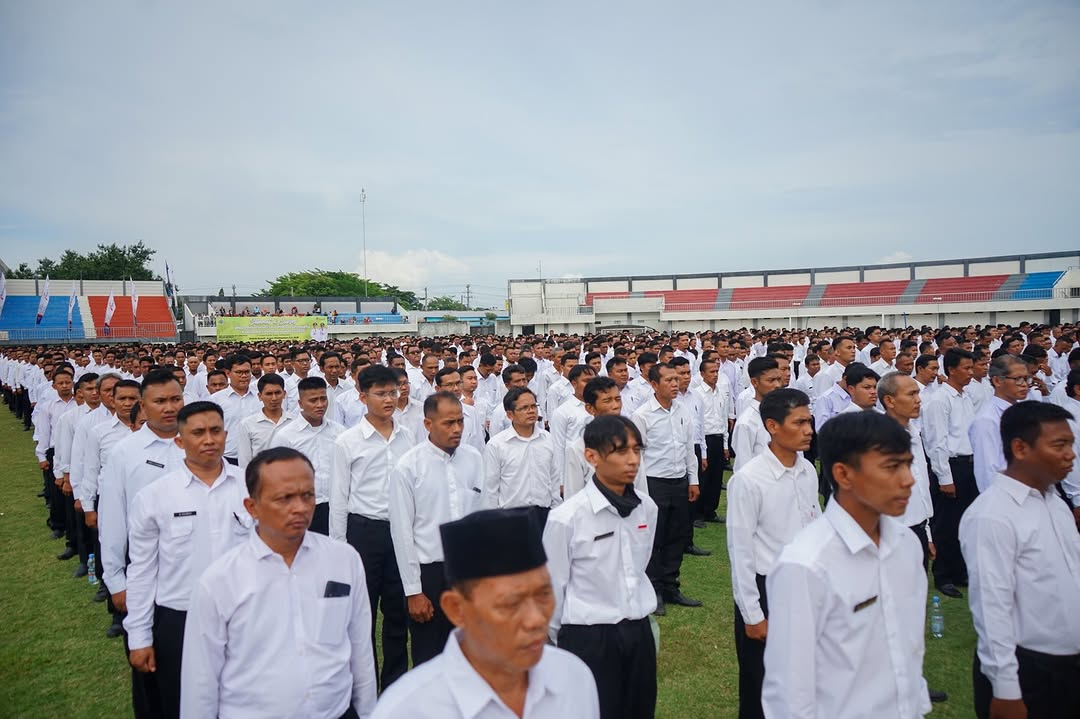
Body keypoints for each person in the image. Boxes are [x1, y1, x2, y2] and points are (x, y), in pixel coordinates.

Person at [180, 447, 377, 719]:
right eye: (284, 498)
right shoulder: (220, 581)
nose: (299, 508)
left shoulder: (344, 560)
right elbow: (200, 681)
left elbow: (361, 651)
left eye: (307, 495)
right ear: (252, 507)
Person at [763, 411, 931, 718]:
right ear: (843, 475)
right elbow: (789, 692)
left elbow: (907, 647)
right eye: (891, 467)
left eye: (907, 464)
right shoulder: (805, 565)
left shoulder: (906, 545)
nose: (908, 480)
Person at [372, 507, 600, 719]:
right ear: (456, 609)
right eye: (511, 604)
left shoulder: (574, 679)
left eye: (544, 595)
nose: (535, 619)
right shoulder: (407, 709)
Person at [124, 402, 251, 719]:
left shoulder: (251, 486)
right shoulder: (155, 497)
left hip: (244, 617)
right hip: (180, 619)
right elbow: (141, 572)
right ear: (179, 441)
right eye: (198, 433)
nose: (209, 439)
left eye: (215, 431)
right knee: (182, 705)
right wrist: (139, 637)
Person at [961, 401, 1080, 719]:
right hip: (1029, 670)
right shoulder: (993, 515)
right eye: (1059, 445)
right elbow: (991, 606)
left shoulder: (1055, 503)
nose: (1070, 454)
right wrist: (1006, 689)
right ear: (1020, 448)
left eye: (1071, 444)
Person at [543, 415, 657, 719]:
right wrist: (557, 641)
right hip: (588, 635)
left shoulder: (647, 508)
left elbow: (639, 566)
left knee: (639, 709)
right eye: (620, 451)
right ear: (591, 456)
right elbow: (553, 587)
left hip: (637, 629)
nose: (632, 460)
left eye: (637, 450)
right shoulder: (567, 518)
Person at [725, 389, 820, 719]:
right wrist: (752, 614)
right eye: (799, 422)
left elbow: (816, 529)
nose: (809, 430)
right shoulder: (749, 480)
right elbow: (741, 552)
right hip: (768, 591)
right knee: (761, 686)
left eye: (809, 421)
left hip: (805, 589)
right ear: (773, 426)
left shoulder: (807, 471)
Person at [98, 369, 186, 717]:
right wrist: (116, 581)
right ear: (143, 406)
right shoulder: (125, 453)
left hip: (192, 577)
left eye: (175, 399)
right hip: (144, 576)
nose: (169, 408)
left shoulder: (196, 443)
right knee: (150, 671)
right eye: (159, 401)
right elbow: (112, 521)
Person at [330, 365, 414, 690]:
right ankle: (363, 691)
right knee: (362, 617)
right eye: (380, 393)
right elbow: (339, 499)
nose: (388, 399)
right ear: (362, 397)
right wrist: (339, 549)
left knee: (397, 615)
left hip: (401, 534)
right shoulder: (347, 442)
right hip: (364, 533)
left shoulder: (409, 436)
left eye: (392, 392)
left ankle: (394, 688)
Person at [388, 392, 485, 666]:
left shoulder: (475, 459)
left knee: (475, 654)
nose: (457, 429)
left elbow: (483, 517)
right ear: (428, 425)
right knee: (430, 656)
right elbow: (403, 533)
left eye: (460, 422)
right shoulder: (408, 467)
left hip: (469, 572)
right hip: (429, 573)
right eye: (448, 423)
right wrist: (414, 591)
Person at [631, 363, 701, 615]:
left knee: (677, 536)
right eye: (669, 380)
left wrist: (693, 481)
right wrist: (641, 491)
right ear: (653, 384)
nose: (675, 384)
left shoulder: (683, 409)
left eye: (676, 379)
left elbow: (689, 448)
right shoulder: (642, 415)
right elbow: (636, 456)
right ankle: (654, 590)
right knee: (654, 539)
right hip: (654, 483)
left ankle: (672, 586)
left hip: (679, 481)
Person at [922, 348, 976, 599]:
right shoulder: (939, 400)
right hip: (950, 467)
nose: (970, 373)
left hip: (968, 465)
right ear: (952, 369)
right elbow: (936, 442)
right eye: (966, 368)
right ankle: (943, 575)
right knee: (946, 525)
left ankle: (960, 570)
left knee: (965, 522)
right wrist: (945, 478)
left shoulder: (964, 397)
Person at [267, 376, 344, 535]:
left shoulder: (340, 432)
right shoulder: (286, 436)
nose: (320, 405)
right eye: (313, 400)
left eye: (323, 399)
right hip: (302, 506)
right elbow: (275, 476)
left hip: (335, 504)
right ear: (300, 403)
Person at [483, 387, 559, 513]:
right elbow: (490, 489)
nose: (531, 411)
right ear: (510, 414)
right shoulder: (497, 445)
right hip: (510, 516)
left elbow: (554, 479)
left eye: (533, 406)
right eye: (524, 408)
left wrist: (556, 511)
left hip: (544, 513)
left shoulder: (547, 439)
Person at [969, 355, 1032, 493]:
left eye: (1027, 379)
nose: (1024, 384)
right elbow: (987, 471)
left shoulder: (1023, 410)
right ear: (997, 381)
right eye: (1018, 379)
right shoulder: (987, 420)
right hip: (1006, 495)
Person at [731, 357, 785, 472]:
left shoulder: (783, 414)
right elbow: (743, 466)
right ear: (755, 382)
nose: (777, 385)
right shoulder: (746, 423)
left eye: (779, 379)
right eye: (771, 380)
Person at [695, 358, 732, 525]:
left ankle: (711, 510)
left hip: (718, 437)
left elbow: (723, 419)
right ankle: (698, 512)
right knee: (704, 476)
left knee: (716, 477)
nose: (715, 375)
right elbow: (698, 422)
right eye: (711, 372)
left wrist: (725, 444)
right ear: (702, 374)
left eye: (717, 371)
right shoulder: (697, 394)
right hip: (705, 439)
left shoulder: (720, 392)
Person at [235, 372, 292, 469]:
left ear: (284, 394)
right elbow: (245, 462)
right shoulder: (247, 425)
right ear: (260, 396)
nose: (274, 398)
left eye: (278, 393)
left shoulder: (294, 421)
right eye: (269, 394)